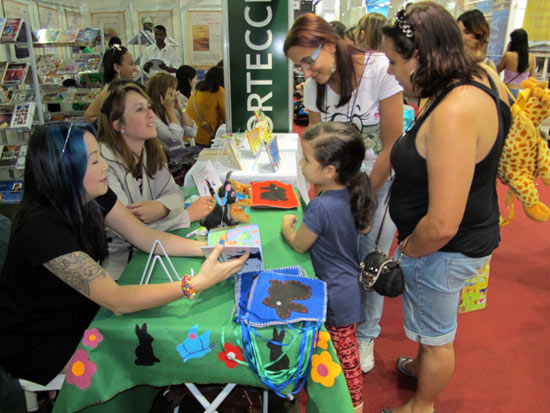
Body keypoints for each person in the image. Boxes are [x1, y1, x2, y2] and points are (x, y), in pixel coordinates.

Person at [0, 122, 248, 386]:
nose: (105, 167)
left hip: (82, 312)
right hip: (40, 341)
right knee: (143, 353)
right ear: (64, 169)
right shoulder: (42, 229)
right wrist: (196, 283)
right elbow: (116, 300)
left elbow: (145, 236)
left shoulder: (94, 194)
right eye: (95, 161)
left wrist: (214, 247)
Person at [380, 3, 511, 412]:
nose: (390, 72)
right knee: (429, 328)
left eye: (394, 61)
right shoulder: (463, 83)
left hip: (444, 248)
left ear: (421, 56)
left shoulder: (455, 108)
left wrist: (408, 250)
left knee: (437, 337)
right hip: (448, 242)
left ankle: (422, 405)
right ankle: (422, 366)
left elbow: (441, 224)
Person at [283, 12, 403, 374]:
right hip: (337, 187)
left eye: (307, 61)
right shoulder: (313, 87)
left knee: (369, 258)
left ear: (330, 44)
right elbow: (315, 148)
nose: (305, 71)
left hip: (376, 183)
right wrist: (320, 198)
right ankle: (334, 324)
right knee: (336, 256)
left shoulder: (381, 69)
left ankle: (365, 332)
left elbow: (392, 144)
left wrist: (362, 196)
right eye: (298, 66)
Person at [281, 122, 376, 413]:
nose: (301, 162)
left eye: (307, 159)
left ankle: (353, 407)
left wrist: (287, 227)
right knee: (342, 354)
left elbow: (299, 244)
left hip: (336, 297)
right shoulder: (350, 192)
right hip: (346, 288)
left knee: (344, 360)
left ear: (330, 171)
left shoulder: (321, 206)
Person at [97, 82, 212, 280]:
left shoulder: (148, 152)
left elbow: (175, 193)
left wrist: (161, 208)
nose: (151, 114)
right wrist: (184, 216)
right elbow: (133, 230)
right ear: (118, 125)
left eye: (149, 107)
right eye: (140, 109)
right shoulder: (101, 166)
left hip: (147, 253)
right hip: (118, 270)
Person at [145, 72, 199, 162]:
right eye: (172, 90)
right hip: (168, 161)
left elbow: (191, 132)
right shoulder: (151, 116)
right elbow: (175, 139)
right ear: (161, 93)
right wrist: (169, 110)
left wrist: (181, 108)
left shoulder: (174, 110)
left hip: (181, 157)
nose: (176, 93)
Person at [83, 45, 137, 124]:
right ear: (117, 67)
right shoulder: (110, 91)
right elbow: (88, 116)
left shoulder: (120, 89)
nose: (135, 68)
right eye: (131, 64)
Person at [186, 66, 226, 147]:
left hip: (189, 138)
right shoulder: (219, 91)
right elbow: (227, 118)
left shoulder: (197, 91)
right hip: (204, 140)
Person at [497, 28, 536, 101]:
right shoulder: (532, 57)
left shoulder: (508, 55)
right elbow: (532, 78)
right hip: (523, 92)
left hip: (508, 90)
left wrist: (507, 50)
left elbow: (497, 71)